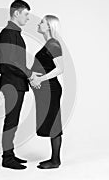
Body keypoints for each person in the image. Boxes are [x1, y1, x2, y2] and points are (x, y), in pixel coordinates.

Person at [0, 0, 42, 170]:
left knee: (13, 121)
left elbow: (16, 62)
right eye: (25, 14)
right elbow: (10, 62)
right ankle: (7, 158)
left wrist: (29, 76)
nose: (27, 19)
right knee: (11, 120)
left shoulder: (15, 33)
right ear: (16, 13)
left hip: (17, 83)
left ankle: (10, 153)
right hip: (11, 84)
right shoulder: (8, 33)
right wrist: (30, 74)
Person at [29, 15, 64, 169]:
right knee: (51, 123)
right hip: (45, 91)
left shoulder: (53, 44)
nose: (39, 23)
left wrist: (40, 79)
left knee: (55, 124)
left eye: (42, 22)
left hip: (51, 90)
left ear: (49, 26)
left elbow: (60, 69)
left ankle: (55, 161)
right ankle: (54, 159)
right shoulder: (48, 45)